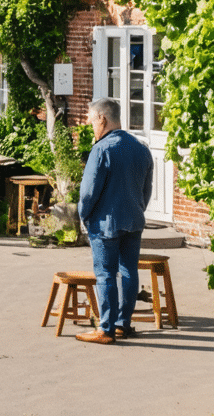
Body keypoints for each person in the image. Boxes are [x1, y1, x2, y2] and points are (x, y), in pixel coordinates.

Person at [76, 98, 154, 344]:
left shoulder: (102, 149)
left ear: (102, 118)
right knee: (128, 270)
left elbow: (88, 192)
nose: (89, 123)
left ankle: (106, 328)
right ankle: (123, 324)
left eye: (90, 118)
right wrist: (138, 208)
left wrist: (83, 215)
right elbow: (146, 189)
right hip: (133, 218)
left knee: (105, 274)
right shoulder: (141, 148)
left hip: (104, 221)